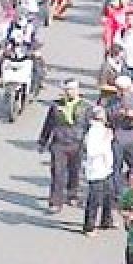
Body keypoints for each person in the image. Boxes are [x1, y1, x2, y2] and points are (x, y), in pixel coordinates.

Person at [38, 79, 93, 212]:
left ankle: (72, 194)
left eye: (73, 89)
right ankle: (55, 201)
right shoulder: (56, 106)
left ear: (78, 90)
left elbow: (90, 126)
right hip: (59, 143)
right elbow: (48, 124)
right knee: (57, 173)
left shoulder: (86, 107)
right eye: (67, 89)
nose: (70, 92)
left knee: (75, 171)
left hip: (77, 143)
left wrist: (90, 144)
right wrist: (42, 141)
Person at [82, 106, 116, 236]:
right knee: (94, 199)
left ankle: (106, 221)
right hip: (95, 170)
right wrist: (106, 140)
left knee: (108, 196)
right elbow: (91, 151)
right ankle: (89, 227)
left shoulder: (103, 129)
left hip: (106, 169)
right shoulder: (93, 132)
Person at [107, 75, 133, 191]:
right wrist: (119, 113)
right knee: (116, 168)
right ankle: (117, 194)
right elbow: (108, 116)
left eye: (125, 89)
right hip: (118, 138)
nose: (123, 92)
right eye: (120, 89)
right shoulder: (112, 101)